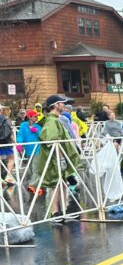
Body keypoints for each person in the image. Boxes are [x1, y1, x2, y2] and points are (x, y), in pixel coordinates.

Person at [37, 94, 83, 222]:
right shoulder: (52, 120)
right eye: (61, 103)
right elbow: (52, 141)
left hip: (59, 159)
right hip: (54, 160)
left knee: (62, 184)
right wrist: (61, 158)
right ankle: (55, 213)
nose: (63, 105)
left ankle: (62, 211)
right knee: (56, 185)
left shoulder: (56, 119)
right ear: (55, 105)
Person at [16, 109, 42, 192]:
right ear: (30, 117)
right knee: (30, 167)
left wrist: (36, 131)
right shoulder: (23, 125)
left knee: (35, 167)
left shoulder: (38, 126)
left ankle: (32, 185)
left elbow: (42, 136)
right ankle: (36, 184)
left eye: (37, 116)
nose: (37, 117)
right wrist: (19, 143)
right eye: (35, 116)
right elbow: (20, 135)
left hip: (38, 149)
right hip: (28, 150)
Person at [0, 104, 16, 185]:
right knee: (11, 159)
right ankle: (8, 176)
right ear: (1, 110)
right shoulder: (6, 119)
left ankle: (0, 179)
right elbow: (10, 132)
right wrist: (15, 142)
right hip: (6, 142)